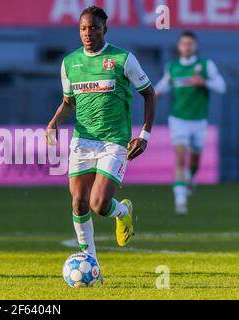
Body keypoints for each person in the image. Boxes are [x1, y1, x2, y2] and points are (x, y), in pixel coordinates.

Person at [46, 6, 157, 282]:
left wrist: (144, 135)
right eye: (83, 28)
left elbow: (149, 94)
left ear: (104, 29)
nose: (88, 33)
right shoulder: (70, 63)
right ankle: (92, 263)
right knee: (79, 203)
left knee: (98, 203)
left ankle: (123, 211)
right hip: (82, 141)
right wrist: (53, 122)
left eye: (94, 28)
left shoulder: (122, 59)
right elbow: (69, 102)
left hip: (114, 142)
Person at [155, 31, 226, 215]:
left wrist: (204, 82)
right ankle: (180, 200)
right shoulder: (173, 67)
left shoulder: (205, 65)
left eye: (190, 44)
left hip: (199, 121)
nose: (187, 47)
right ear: (179, 47)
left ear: (195, 46)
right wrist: (156, 93)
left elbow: (221, 86)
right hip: (178, 120)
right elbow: (164, 84)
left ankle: (191, 178)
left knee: (195, 161)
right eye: (184, 44)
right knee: (180, 158)